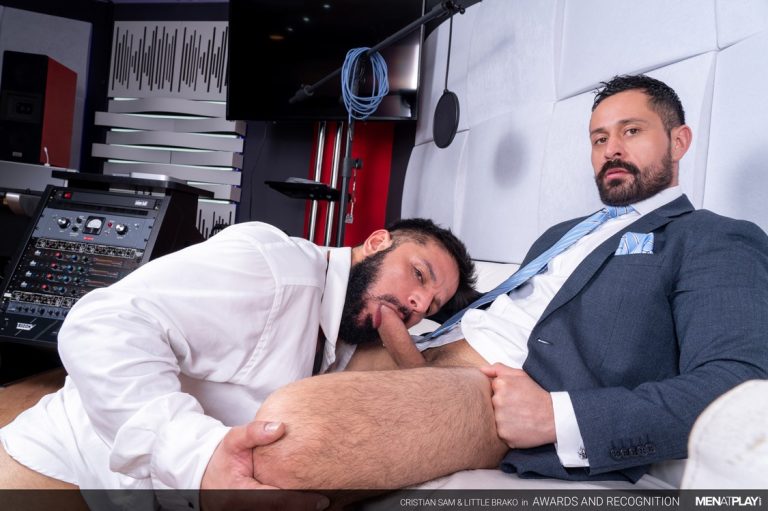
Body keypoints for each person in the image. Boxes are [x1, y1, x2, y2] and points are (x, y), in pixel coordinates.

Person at [243, 74, 768, 489]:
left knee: (293, 433)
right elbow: (509, 306)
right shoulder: (563, 234)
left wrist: (558, 417)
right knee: (252, 364)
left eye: (632, 131)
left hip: (492, 394)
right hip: (424, 351)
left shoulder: (712, 238)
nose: (611, 149)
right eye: (599, 138)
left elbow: (740, 384)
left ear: (679, 140)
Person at [0, 217, 477, 490]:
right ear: (376, 243)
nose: (417, 304)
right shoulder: (276, 271)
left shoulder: (350, 333)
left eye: (429, 306)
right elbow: (104, 322)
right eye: (418, 274)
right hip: (61, 469)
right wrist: (198, 457)